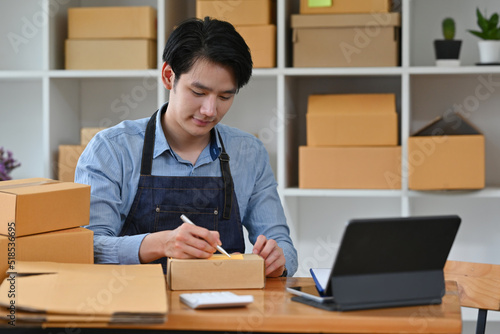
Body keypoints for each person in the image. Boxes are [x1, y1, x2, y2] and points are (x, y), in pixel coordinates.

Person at [75, 17, 297, 277]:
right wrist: (160, 243)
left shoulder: (249, 153)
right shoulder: (112, 150)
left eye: (225, 96)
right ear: (169, 76)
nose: (210, 110)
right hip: (139, 309)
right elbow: (88, 248)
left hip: (226, 307)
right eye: (199, 93)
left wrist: (277, 260)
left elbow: (284, 247)